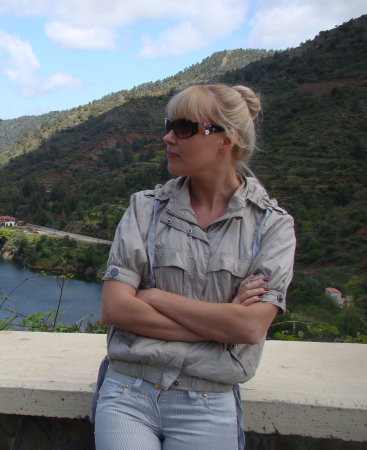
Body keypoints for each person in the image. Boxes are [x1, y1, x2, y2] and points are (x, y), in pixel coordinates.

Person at [94, 83, 296, 450]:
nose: (168, 137)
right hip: (127, 393)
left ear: (226, 139)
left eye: (184, 128)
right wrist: (222, 326)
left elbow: (250, 327)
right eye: (169, 125)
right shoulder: (145, 208)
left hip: (208, 402)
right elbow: (116, 308)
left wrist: (154, 297)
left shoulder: (272, 226)